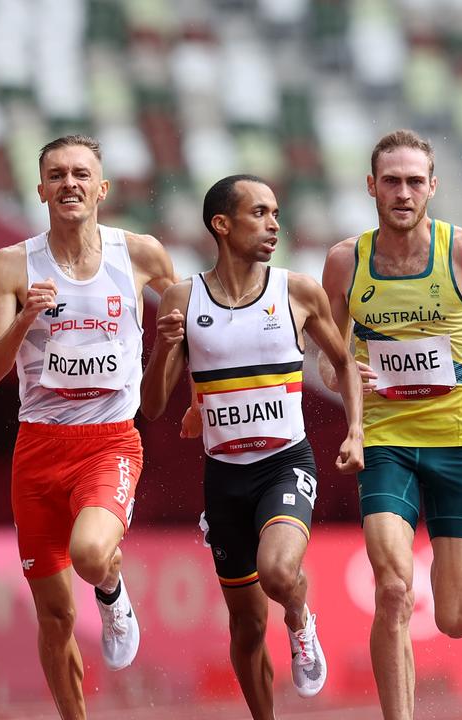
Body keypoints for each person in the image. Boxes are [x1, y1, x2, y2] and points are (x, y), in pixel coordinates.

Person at [317, 130, 462, 719]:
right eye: (390, 181)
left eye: (414, 181)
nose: (402, 192)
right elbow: (327, 353)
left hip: (461, 444)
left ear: (433, 187)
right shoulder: (347, 261)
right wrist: (350, 377)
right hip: (387, 442)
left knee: (457, 618)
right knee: (392, 588)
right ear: (371, 186)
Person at [139, 175, 365, 717]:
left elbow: (342, 363)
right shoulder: (181, 299)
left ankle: (302, 619)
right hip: (224, 476)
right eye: (259, 213)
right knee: (245, 626)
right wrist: (164, 348)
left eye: (276, 213)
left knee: (278, 573)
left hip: (285, 463)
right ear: (222, 224)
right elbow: (151, 406)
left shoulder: (297, 290)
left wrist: (356, 429)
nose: (273, 225)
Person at [0, 135, 177, 718]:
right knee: (56, 616)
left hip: (109, 441)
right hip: (37, 448)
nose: (70, 184)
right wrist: (25, 323)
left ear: (102, 188)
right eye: (57, 175)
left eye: (81, 174)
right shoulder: (14, 265)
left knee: (91, 554)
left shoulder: (138, 254)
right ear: (39, 189)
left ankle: (113, 594)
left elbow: (194, 312)